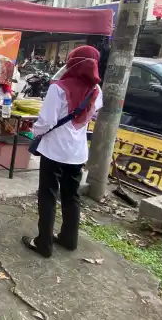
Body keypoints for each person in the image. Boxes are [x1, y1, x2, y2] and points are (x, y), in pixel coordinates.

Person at [22, 45, 103, 259]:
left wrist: (34, 131)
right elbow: (90, 115)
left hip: (54, 151)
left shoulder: (58, 88)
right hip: (77, 153)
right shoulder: (97, 90)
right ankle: (68, 239)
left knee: (48, 196)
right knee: (71, 195)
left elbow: (46, 121)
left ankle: (44, 244)